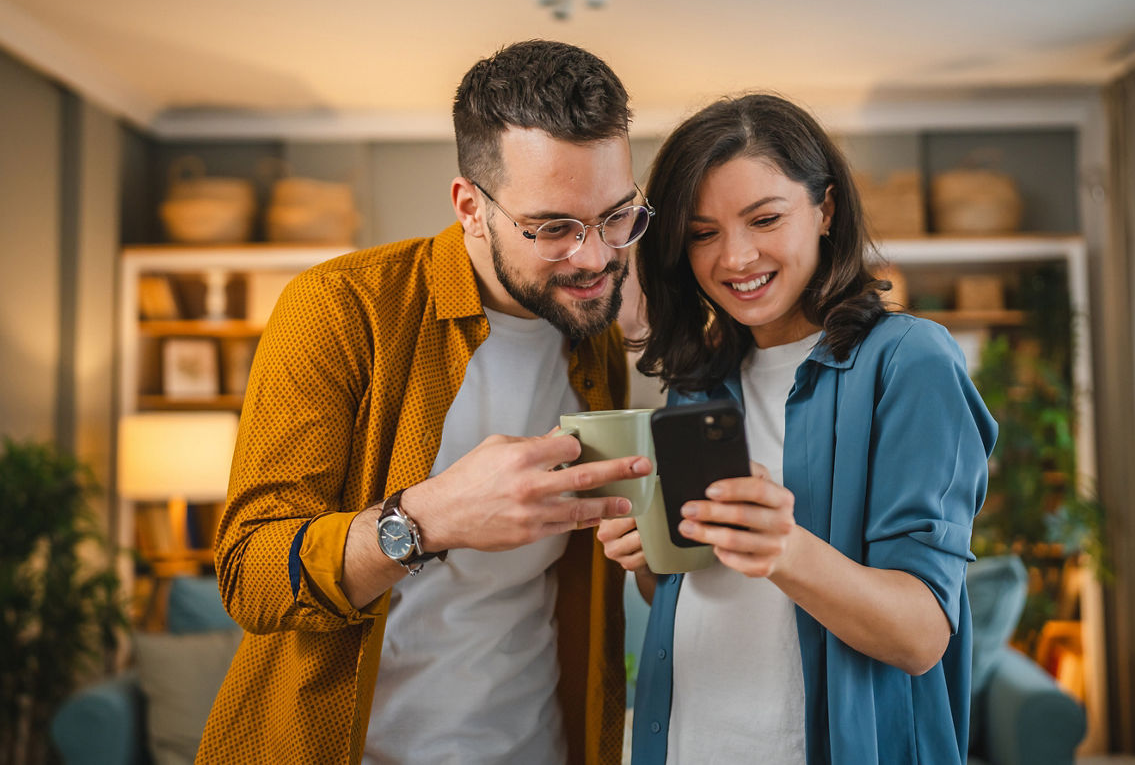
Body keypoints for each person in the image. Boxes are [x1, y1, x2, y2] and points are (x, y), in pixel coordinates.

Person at [197, 40, 654, 765]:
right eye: (554, 229)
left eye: (617, 216)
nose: (595, 257)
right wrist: (427, 519)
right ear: (471, 207)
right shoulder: (339, 308)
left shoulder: (590, 329)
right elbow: (250, 574)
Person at [598, 93, 998, 764]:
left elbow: (923, 633)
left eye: (764, 218)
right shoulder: (697, 382)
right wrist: (649, 558)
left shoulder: (909, 361)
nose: (735, 257)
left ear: (826, 209)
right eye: (703, 233)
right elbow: (698, 592)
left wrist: (785, 549)